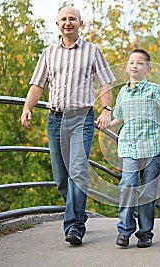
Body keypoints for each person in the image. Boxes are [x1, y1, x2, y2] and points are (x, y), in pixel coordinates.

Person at [20, 6, 116, 246]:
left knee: (77, 171)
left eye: (72, 19)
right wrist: (27, 107)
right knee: (61, 176)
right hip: (55, 119)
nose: (68, 22)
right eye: (63, 19)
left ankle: (74, 226)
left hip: (82, 118)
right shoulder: (49, 52)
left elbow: (105, 83)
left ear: (80, 23)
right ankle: (78, 209)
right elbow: (37, 84)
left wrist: (106, 110)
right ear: (57, 24)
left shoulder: (93, 51)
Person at [110, 49, 160, 248]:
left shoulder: (154, 90)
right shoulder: (122, 92)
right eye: (131, 62)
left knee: (147, 193)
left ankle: (145, 233)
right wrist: (108, 124)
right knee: (127, 186)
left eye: (140, 63)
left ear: (148, 68)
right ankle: (124, 230)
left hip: (151, 149)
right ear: (127, 67)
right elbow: (120, 116)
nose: (135, 65)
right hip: (128, 147)